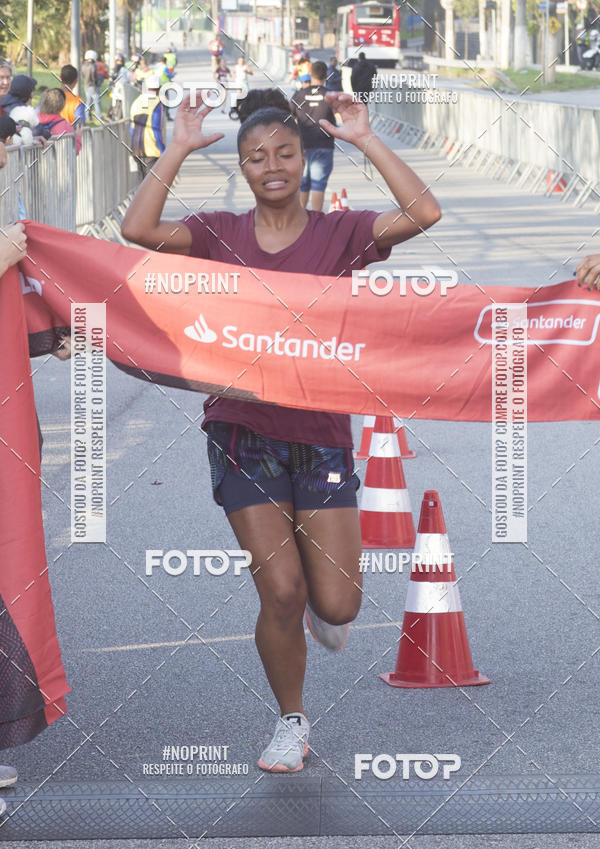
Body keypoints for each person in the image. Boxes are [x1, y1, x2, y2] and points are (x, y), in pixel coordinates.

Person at [120, 86, 440, 773]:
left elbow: (424, 212)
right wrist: (176, 146)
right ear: (242, 167)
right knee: (283, 591)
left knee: (336, 599)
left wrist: (364, 137)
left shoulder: (341, 234)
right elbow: (136, 231)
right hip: (241, 431)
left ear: (302, 159)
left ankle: (331, 606)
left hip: (322, 432)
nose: (271, 164)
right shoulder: (215, 235)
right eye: (256, 156)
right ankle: (291, 721)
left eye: (284, 152)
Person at [290, 61, 337, 212]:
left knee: (303, 183)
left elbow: (289, 118)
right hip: (324, 145)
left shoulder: (299, 95)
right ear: (326, 76)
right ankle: (316, 219)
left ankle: (300, 216)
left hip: (302, 145)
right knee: (318, 183)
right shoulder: (330, 96)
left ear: (311, 75)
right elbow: (340, 116)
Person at [129, 74, 165, 178]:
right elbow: (156, 130)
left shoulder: (136, 102)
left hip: (136, 149)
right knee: (153, 185)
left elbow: (132, 130)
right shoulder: (157, 103)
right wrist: (162, 151)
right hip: (151, 150)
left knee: (142, 185)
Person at [37, 88, 80, 154]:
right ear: (62, 105)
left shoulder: (34, 121)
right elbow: (75, 149)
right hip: (61, 162)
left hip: (40, 162)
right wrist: (78, 135)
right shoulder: (65, 125)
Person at [0, 75, 39, 146]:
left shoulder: (2, 102)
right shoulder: (21, 109)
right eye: (32, 91)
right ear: (28, 93)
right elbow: (38, 129)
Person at [82, 50, 101, 121]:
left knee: (88, 101)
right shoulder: (93, 66)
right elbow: (94, 76)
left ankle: (87, 116)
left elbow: (83, 75)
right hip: (92, 85)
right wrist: (96, 82)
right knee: (97, 101)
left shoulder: (83, 65)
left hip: (86, 85)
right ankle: (99, 116)